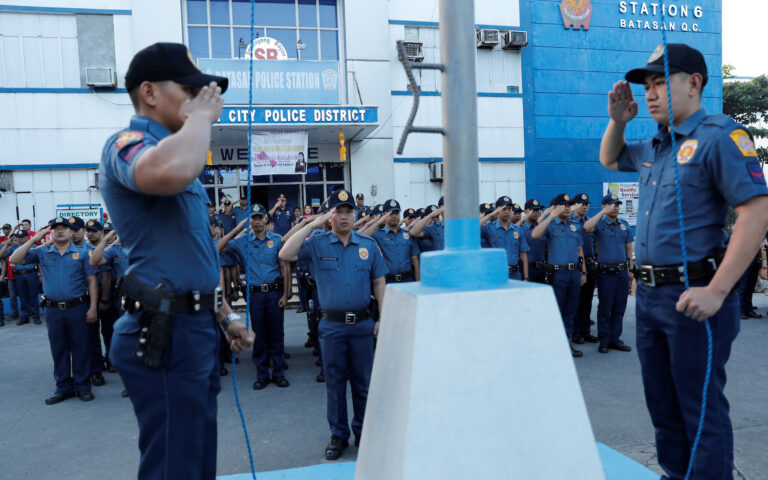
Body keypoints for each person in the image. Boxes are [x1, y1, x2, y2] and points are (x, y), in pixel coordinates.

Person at [599, 43, 768, 479]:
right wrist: (617, 122)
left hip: (696, 295)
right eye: (648, 85)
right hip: (653, 299)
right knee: (664, 407)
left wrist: (718, 291)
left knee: (701, 410)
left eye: (660, 82)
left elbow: (755, 212)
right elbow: (610, 157)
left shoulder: (720, 136)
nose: (650, 93)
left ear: (693, 83)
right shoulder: (655, 145)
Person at [100, 42, 254, 479]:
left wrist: (224, 316)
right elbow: (164, 173)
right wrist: (202, 118)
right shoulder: (128, 144)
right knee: (175, 465)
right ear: (149, 92)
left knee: (196, 460)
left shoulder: (177, 151)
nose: (197, 99)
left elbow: (191, 253)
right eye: (187, 89)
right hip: (163, 332)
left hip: (193, 327)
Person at [279, 188, 387, 461]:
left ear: (355, 214)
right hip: (332, 327)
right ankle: (338, 435)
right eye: (338, 211)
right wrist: (312, 223)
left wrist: (382, 319)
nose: (344, 216)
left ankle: (363, 432)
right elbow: (285, 253)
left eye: (348, 211)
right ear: (331, 216)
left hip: (362, 325)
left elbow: (379, 282)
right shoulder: (317, 243)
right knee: (336, 384)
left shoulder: (368, 246)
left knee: (363, 383)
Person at [9, 218, 98, 403]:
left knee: (80, 348)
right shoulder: (42, 252)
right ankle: (63, 386)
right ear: (50, 232)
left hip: (77, 308)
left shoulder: (82, 253)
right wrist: (34, 240)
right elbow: (14, 259)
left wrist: (92, 308)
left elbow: (92, 281)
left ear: (70, 231)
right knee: (59, 349)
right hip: (53, 310)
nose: (60, 231)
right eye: (55, 228)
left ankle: (83, 386)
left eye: (64, 228)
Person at [218, 204, 292, 389]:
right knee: (258, 336)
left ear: (266, 219)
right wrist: (236, 229)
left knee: (276, 335)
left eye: (260, 218)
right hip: (255, 295)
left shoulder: (276, 240)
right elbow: (218, 247)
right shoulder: (243, 241)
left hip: (274, 293)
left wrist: (285, 293)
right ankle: (261, 375)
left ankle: (278, 373)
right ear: (249, 221)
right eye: (254, 218)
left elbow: (284, 267)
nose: (257, 222)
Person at [531, 194, 587, 358]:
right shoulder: (549, 224)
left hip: (574, 272)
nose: (568, 207)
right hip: (558, 273)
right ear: (555, 207)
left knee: (571, 310)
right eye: (563, 205)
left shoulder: (574, 225)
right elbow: (535, 234)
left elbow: (579, 250)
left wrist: (583, 272)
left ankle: (567, 343)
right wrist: (550, 216)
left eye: (569, 205)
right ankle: (553, 343)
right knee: (557, 309)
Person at [583, 194, 634, 353]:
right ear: (605, 206)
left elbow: (629, 248)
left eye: (618, 204)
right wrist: (602, 213)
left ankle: (615, 339)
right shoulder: (599, 223)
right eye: (613, 205)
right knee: (605, 307)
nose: (617, 207)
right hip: (606, 273)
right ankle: (604, 340)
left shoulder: (624, 225)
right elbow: (586, 228)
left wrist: (631, 269)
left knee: (620, 307)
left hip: (622, 272)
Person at [89, 228, 128, 375]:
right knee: (126, 336)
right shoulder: (116, 249)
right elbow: (94, 261)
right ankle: (129, 377)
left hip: (147, 298)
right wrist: (105, 240)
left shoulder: (148, 245)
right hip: (125, 299)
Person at [362, 199, 420, 283]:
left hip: (408, 280)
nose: (394, 216)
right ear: (384, 214)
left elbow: (415, 261)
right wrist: (379, 221)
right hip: (388, 281)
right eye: (391, 213)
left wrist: (418, 283)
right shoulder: (378, 234)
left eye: (396, 213)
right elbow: (363, 237)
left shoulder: (407, 234)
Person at [480, 196, 529, 280]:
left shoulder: (517, 230)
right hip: (496, 274)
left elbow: (523, 255)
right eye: (504, 209)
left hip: (515, 274)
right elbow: (473, 228)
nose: (507, 212)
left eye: (509, 209)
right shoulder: (489, 228)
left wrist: (526, 277)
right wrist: (492, 214)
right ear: (497, 210)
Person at [572, 193, 599, 345]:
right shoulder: (571, 222)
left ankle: (585, 331)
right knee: (577, 300)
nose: (585, 206)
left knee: (588, 300)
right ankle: (576, 333)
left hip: (589, 263)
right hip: (576, 265)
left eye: (587, 204)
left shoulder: (590, 222)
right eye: (581, 204)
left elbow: (594, 244)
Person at [2, 230, 40, 325]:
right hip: (19, 275)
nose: (20, 239)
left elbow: (39, 262)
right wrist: (6, 244)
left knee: (33, 296)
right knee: (22, 297)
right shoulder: (14, 247)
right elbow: (2, 255)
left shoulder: (34, 247)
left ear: (27, 237)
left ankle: (36, 316)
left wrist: (41, 275)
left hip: (31, 274)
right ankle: (24, 317)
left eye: (22, 237)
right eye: (18, 237)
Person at [521, 199, 548, 284]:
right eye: (534, 210)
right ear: (526, 211)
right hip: (527, 269)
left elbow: (547, 250)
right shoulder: (521, 228)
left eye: (538, 210)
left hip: (542, 269)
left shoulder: (543, 228)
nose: (537, 212)